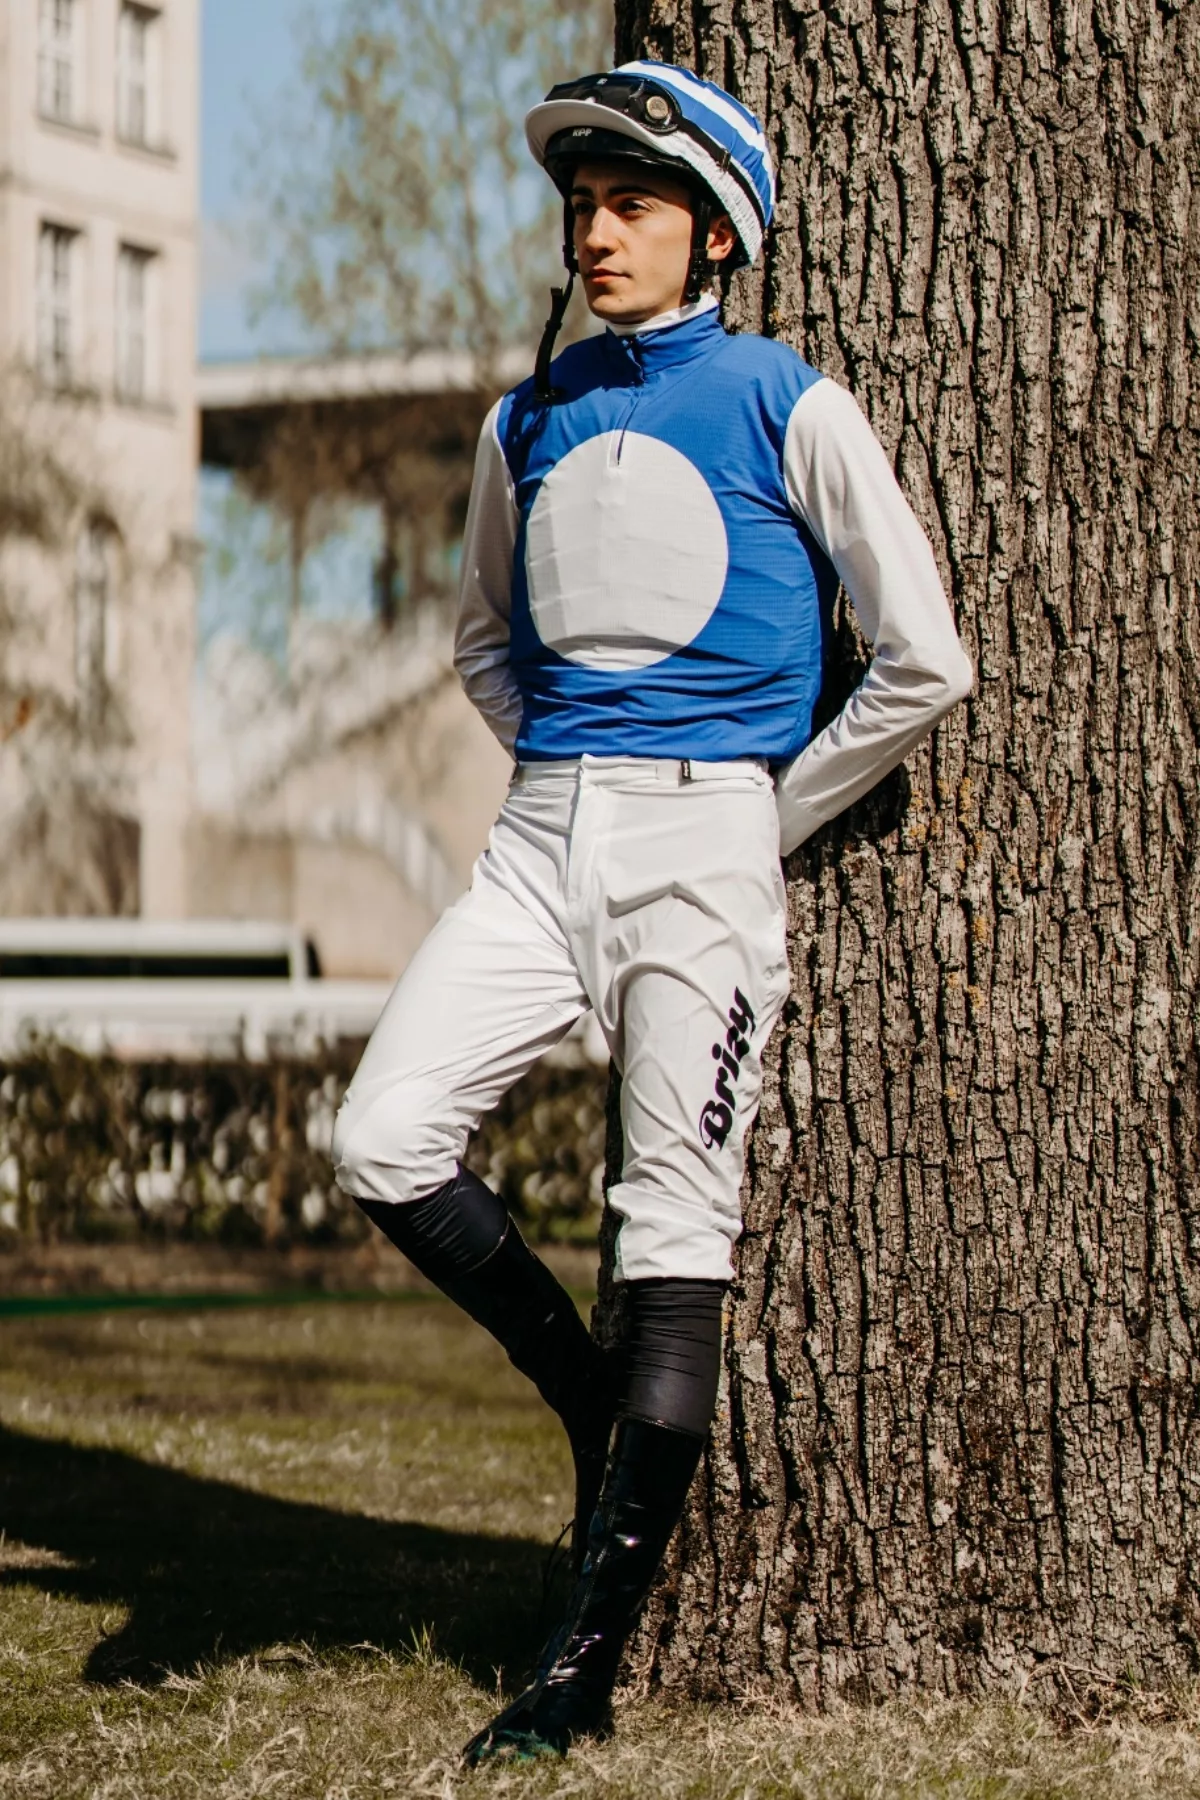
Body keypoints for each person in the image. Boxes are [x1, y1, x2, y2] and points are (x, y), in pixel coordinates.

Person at [331, 60, 973, 1763]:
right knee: (381, 1136)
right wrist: (571, 775)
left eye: (632, 206)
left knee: (673, 1230)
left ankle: (583, 1669)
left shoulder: (789, 404)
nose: (597, 234)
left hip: (711, 846)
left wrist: (764, 810)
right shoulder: (523, 420)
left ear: (716, 235)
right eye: (583, 207)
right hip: (539, 842)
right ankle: (584, 1401)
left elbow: (926, 660)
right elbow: (484, 642)